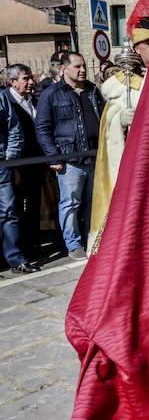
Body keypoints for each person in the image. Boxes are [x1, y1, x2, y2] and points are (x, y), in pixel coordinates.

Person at [88, 0, 149, 253]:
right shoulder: (121, 85)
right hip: (135, 164)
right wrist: (120, 119)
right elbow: (107, 120)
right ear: (136, 49)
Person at [35, 51, 104, 260]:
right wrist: (53, 157)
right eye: (78, 67)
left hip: (96, 157)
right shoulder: (52, 94)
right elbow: (42, 128)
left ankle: (90, 239)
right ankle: (73, 244)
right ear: (64, 69)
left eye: (84, 66)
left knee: (93, 202)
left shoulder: (93, 91)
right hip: (70, 160)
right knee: (70, 204)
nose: (83, 70)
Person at [5, 64, 43, 257]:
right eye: (25, 79)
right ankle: (21, 247)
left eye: (31, 78)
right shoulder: (7, 102)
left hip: (37, 162)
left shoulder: (34, 100)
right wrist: (14, 165)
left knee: (34, 203)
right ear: (12, 82)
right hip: (18, 164)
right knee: (18, 207)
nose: (30, 82)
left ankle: (34, 242)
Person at [0, 89, 36, 274]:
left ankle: (16, 259)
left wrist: (11, 157)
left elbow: (13, 125)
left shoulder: (0, 95)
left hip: (2, 165)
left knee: (9, 213)